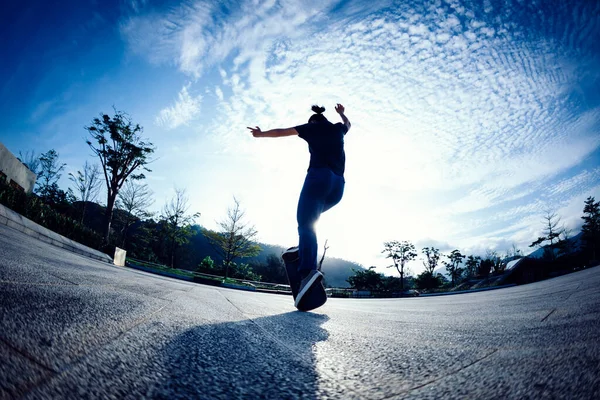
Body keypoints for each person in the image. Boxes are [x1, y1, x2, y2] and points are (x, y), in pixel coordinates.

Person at [248, 104, 351, 307]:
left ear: (312, 121)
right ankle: (302, 250)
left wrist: (260, 135)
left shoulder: (311, 127)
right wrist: (341, 113)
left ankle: (307, 272)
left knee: (305, 225)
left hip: (318, 179)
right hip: (338, 187)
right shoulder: (338, 128)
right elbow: (349, 124)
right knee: (310, 222)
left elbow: (282, 132)